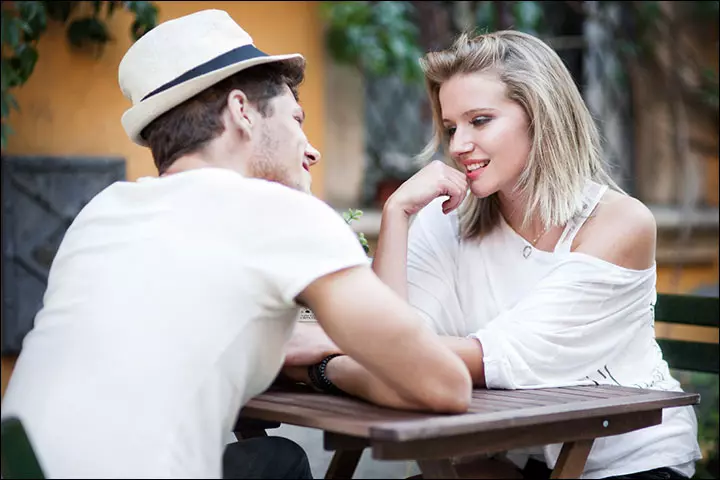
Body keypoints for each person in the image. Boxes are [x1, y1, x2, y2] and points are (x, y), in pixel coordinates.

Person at [0, 9, 473, 479]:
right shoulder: (277, 213)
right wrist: (329, 341)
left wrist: (300, 345)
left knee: (272, 462)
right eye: (295, 118)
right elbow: (446, 386)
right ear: (241, 110)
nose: (311, 149)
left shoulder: (101, 213)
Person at [284, 30, 702, 479]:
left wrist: (329, 347)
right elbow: (398, 350)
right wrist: (397, 213)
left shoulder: (618, 223)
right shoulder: (447, 217)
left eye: (480, 120)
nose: (458, 144)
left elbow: (493, 356)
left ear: (541, 116)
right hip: (519, 456)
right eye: (450, 127)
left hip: (629, 461)